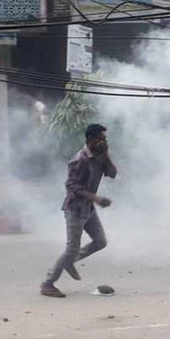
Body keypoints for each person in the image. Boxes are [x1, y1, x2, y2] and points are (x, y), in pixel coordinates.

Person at [41, 123, 117, 298]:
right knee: (71, 248)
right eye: (101, 139)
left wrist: (106, 155)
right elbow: (72, 186)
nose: (103, 142)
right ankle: (48, 283)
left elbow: (112, 173)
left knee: (100, 241)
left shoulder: (99, 156)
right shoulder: (79, 159)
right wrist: (96, 198)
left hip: (88, 209)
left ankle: (70, 262)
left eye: (105, 139)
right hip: (75, 209)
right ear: (90, 139)